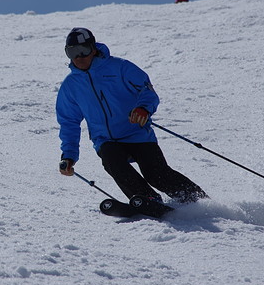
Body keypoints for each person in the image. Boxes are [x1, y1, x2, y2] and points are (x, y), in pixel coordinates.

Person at [56, 27, 207, 203]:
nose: (79, 57)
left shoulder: (119, 67)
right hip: (107, 140)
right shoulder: (70, 86)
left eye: (84, 50)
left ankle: (198, 200)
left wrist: (143, 108)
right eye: (72, 52)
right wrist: (69, 155)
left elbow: (146, 90)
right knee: (112, 161)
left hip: (137, 132)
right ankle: (148, 200)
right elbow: (69, 122)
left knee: (156, 174)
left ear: (94, 48)